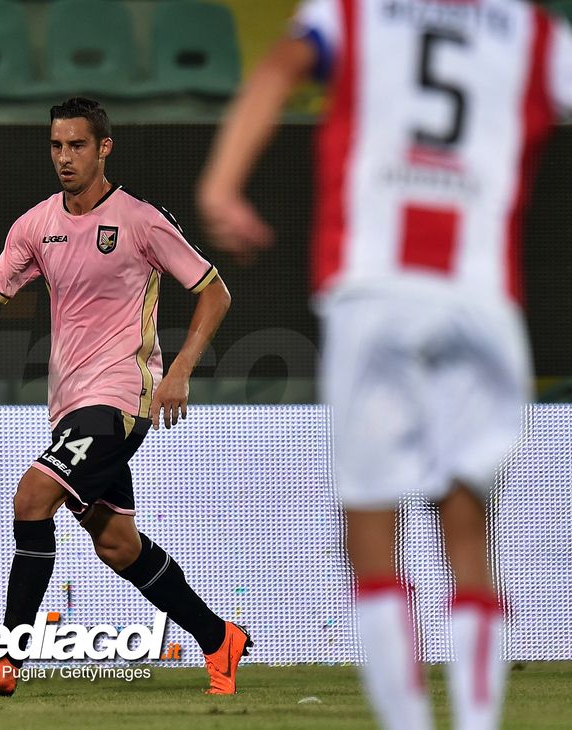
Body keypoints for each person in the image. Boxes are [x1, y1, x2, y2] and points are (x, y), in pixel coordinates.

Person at [197, 1, 572, 728]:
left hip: (373, 288)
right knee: (467, 529)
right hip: (482, 295)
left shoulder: (355, 12)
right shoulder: (532, 30)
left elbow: (278, 68)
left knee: (371, 529)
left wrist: (221, 184)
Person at [0, 97, 250, 696]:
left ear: (103, 149)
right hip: (71, 404)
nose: (64, 158)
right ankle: (219, 638)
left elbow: (214, 291)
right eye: (56, 146)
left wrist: (180, 372)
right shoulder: (36, 224)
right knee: (117, 544)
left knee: (32, 495)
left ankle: (6, 659)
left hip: (122, 397)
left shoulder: (141, 221)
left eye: (76, 146)